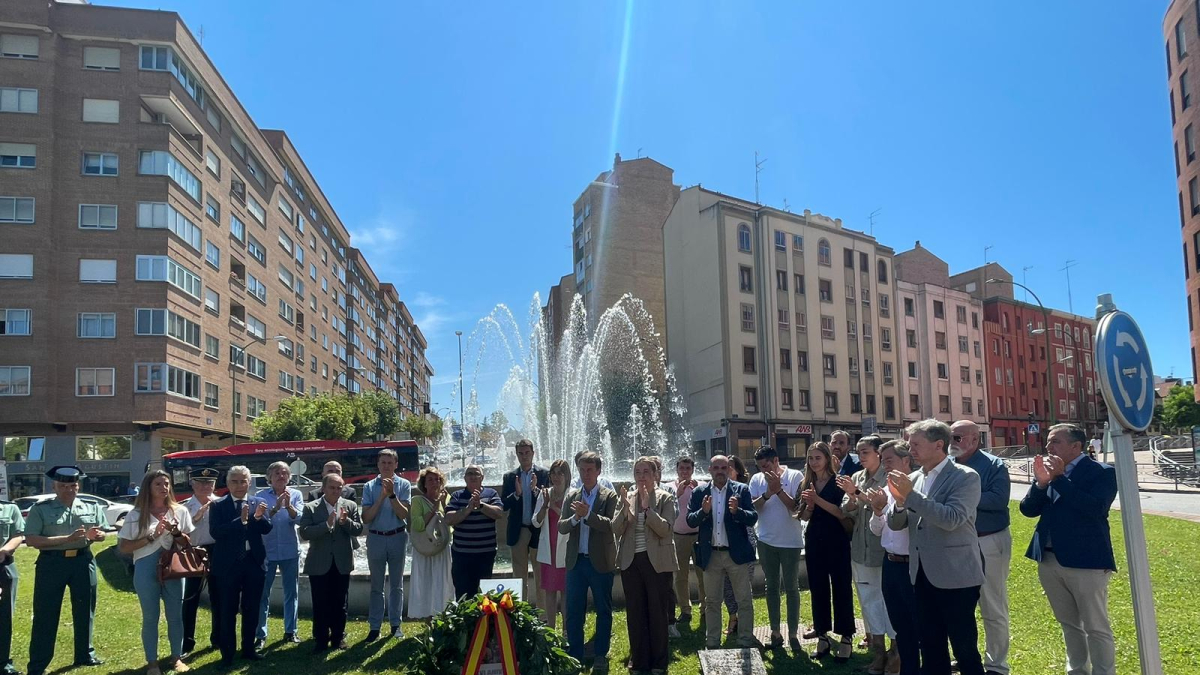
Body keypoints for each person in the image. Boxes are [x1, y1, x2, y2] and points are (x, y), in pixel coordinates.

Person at [886, 419, 984, 675]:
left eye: (916, 444)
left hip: (956, 575)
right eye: (909, 444)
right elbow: (898, 523)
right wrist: (897, 504)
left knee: (964, 648)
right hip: (920, 574)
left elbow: (952, 519)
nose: (910, 450)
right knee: (930, 646)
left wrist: (911, 497)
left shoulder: (965, 477)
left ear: (939, 444)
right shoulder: (914, 478)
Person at [1020, 423, 1118, 675]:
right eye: (1049, 441)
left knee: (1096, 626)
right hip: (1049, 559)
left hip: (1086, 561)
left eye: (1055, 442)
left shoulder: (1102, 472)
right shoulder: (1049, 472)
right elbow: (1028, 510)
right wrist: (1041, 484)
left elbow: (1094, 509)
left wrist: (1060, 479)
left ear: (1076, 446)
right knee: (1069, 624)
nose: (1048, 447)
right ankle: (1077, 670)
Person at [24, 466, 108, 675]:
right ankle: (38, 663)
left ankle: (85, 654)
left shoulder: (91, 506)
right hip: (52, 563)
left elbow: (103, 531)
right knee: (46, 613)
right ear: (54, 486)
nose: (69, 490)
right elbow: (32, 540)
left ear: (78, 485)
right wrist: (66, 539)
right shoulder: (41, 508)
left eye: (73, 485)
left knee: (85, 609)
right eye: (63, 486)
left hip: (83, 561)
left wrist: (98, 536)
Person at [117, 470, 196, 675]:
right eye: (158, 484)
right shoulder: (136, 514)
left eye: (166, 483)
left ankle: (176, 658)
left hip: (173, 567)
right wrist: (153, 536)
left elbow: (188, 543)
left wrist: (176, 532)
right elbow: (124, 547)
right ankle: (152, 663)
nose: (164, 488)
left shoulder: (180, 511)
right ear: (148, 488)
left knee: (175, 615)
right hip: (145, 567)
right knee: (151, 616)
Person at [951, 419, 1012, 675]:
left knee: (992, 605)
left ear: (975, 440)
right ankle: (965, 657)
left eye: (958, 437)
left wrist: (960, 498)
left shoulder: (993, 465)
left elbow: (998, 500)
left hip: (987, 541)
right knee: (958, 608)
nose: (952, 443)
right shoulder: (947, 466)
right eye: (951, 437)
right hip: (955, 544)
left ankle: (997, 665)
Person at [686, 454, 758, 650]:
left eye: (723, 468)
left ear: (729, 470)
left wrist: (738, 512)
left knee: (744, 600)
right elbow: (690, 520)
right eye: (716, 468)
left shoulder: (741, 490)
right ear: (709, 470)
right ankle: (713, 643)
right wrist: (704, 511)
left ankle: (745, 640)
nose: (719, 471)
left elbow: (753, 518)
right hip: (711, 555)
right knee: (712, 602)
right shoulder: (700, 492)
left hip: (735, 555)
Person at [614, 457, 677, 675]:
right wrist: (625, 510)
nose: (641, 476)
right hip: (631, 562)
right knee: (635, 612)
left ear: (654, 475)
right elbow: (615, 529)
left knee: (658, 612)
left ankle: (658, 662)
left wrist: (647, 510)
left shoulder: (665, 498)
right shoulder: (626, 497)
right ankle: (639, 661)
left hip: (657, 562)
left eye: (646, 472)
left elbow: (665, 530)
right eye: (637, 472)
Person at [839, 435, 896, 674]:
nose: (860, 457)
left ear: (878, 454)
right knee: (870, 603)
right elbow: (846, 509)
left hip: (883, 550)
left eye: (865, 452)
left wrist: (857, 493)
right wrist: (852, 497)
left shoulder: (888, 477)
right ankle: (878, 653)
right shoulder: (856, 477)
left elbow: (881, 505)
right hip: (860, 551)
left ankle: (896, 654)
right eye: (859, 452)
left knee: (889, 603)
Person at [558, 451, 619, 672]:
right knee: (574, 610)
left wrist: (588, 515)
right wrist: (575, 517)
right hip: (576, 563)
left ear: (598, 471)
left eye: (590, 470)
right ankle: (575, 655)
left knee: (603, 609)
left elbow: (611, 524)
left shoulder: (609, 495)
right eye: (582, 470)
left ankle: (601, 654)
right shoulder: (571, 496)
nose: (586, 474)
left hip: (600, 562)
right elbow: (561, 526)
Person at [795, 442, 855, 660]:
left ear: (828, 459)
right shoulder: (806, 482)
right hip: (814, 540)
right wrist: (809, 506)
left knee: (841, 587)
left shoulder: (839, 482)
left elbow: (841, 513)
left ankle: (846, 635)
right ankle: (822, 636)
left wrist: (817, 500)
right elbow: (801, 516)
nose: (813, 462)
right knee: (818, 588)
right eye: (810, 458)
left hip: (836, 539)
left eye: (817, 458)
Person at [209, 465, 273, 667]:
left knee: (252, 608)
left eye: (243, 481)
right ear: (228, 484)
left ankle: (248, 650)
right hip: (228, 566)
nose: (239, 485)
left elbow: (267, 528)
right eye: (234, 481)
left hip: (253, 563)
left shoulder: (258, 503)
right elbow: (216, 532)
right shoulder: (218, 506)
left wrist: (256, 518)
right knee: (227, 610)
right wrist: (241, 521)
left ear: (249, 483)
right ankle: (227, 654)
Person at [868, 440, 920, 675]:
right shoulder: (886, 489)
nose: (884, 464)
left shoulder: (917, 486)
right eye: (883, 459)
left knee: (921, 625)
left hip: (914, 565)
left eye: (889, 459)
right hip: (891, 563)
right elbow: (877, 530)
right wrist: (878, 511)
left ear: (906, 460)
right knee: (900, 626)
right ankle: (906, 668)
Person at [298, 473, 363, 653]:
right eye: (332, 487)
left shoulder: (349, 506)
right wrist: (326, 526)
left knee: (340, 602)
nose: (336, 491)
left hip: (341, 561)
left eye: (339, 488)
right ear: (323, 489)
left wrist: (345, 521)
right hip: (319, 562)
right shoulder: (311, 508)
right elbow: (304, 532)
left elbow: (358, 529)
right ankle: (320, 639)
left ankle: (338, 638)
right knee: (320, 602)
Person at [748, 446, 804, 651]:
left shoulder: (795, 476)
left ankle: (793, 633)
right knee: (771, 587)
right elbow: (753, 508)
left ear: (776, 460)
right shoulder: (756, 480)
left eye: (767, 465)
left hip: (790, 541)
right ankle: (775, 632)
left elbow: (797, 508)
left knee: (791, 587)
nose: (764, 470)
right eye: (760, 467)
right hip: (765, 540)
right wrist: (767, 493)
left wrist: (778, 490)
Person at [361, 449, 412, 641]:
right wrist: (381, 496)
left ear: (396, 465)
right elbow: (366, 517)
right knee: (376, 585)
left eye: (390, 463)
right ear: (378, 465)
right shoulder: (369, 486)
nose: (386, 466)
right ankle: (375, 626)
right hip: (376, 538)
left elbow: (403, 514)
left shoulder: (404, 485)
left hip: (397, 536)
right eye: (383, 463)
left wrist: (391, 495)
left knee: (396, 584)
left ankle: (395, 624)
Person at [254, 461, 305, 647]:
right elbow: (259, 522)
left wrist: (289, 505)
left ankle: (291, 631)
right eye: (276, 473)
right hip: (267, 552)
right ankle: (260, 635)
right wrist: (275, 507)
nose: (281, 476)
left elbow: (300, 518)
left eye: (284, 473)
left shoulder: (296, 494)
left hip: (290, 550)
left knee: (292, 593)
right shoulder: (260, 497)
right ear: (269, 477)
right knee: (263, 594)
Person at [445, 465, 504, 600]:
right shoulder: (457, 496)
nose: (472, 476)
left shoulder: (491, 494)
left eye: (476, 474)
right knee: (463, 593)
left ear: (482, 478)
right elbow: (449, 519)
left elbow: (499, 513)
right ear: (465, 478)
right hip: (462, 555)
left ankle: (483, 621)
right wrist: (468, 508)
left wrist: (481, 505)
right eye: (469, 474)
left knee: (484, 595)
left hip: (485, 554)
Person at [501, 439, 550, 597]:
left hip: (538, 529)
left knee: (540, 574)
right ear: (516, 455)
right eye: (521, 453)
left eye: (527, 453)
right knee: (519, 575)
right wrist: (517, 494)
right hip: (518, 530)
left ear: (533, 453)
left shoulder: (544, 474)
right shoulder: (510, 477)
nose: (524, 456)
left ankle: (542, 616)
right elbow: (504, 505)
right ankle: (520, 613)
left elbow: (548, 500)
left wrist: (535, 490)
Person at [181, 469, 220, 658]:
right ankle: (186, 641)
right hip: (194, 551)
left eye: (209, 483)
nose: (206, 487)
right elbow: (181, 535)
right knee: (190, 598)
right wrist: (197, 516)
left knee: (218, 596)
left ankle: (218, 638)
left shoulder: (221, 504)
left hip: (217, 551)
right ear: (192, 484)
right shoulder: (184, 507)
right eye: (201, 482)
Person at [408, 467, 454, 619]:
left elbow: (451, 523)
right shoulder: (417, 501)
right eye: (430, 480)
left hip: (442, 548)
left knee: (443, 582)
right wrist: (435, 508)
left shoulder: (447, 499)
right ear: (424, 484)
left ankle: (443, 617)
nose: (435, 483)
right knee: (426, 583)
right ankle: (427, 618)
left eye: (437, 479)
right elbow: (417, 525)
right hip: (425, 549)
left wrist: (444, 504)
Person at [719, 456, 756, 640]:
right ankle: (733, 617)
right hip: (723, 543)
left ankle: (745, 622)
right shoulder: (716, 489)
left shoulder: (743, 490)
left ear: (737, 471)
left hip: (744, 541)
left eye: (729, 467)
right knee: (726, 584)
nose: (724, 470)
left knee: (742, 584)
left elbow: (752, 516)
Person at [532, 459, 572, 629]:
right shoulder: (544, 494)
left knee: (565, 591)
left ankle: (565, 630)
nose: (556, 477)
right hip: (549, 548)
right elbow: (535, 522)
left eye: (560, 473)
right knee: (549, 590)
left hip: (566, 548)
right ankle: (550, 629)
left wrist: (554, 508)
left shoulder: (573, 494)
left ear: (566, 475)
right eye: (553, 473)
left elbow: (572, 520)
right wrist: (544, 507)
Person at [670, 457, 705, 626]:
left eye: (688, 468)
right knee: (680, 576)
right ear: (677, 470)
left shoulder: (700, 487)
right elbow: (668, 508)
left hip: (699, 536)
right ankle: (685, 610)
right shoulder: (670, 487)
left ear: (692, 470)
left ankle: (705, 608)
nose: (685, 471)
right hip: (679, 536)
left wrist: (698, 490)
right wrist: (677, 494)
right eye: (682, 468)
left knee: (702, 574)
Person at [0, 494, 25, 675]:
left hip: (4, 568)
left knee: (4, 617)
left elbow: (18, 534)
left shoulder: (10, 508)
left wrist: (5, 549)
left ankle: (3, 662)